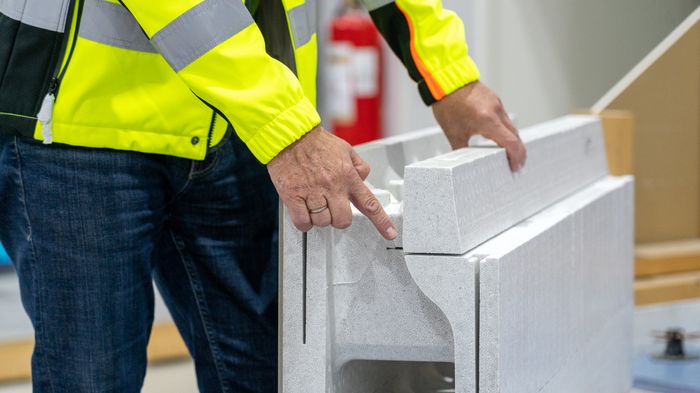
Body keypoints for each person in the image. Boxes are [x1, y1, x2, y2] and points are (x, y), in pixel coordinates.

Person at [0, 0, 526, 392]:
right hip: (79, 123)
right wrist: (283, 126)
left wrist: (447, 74)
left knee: (265, 371)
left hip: (234, 127)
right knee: (92, 375)